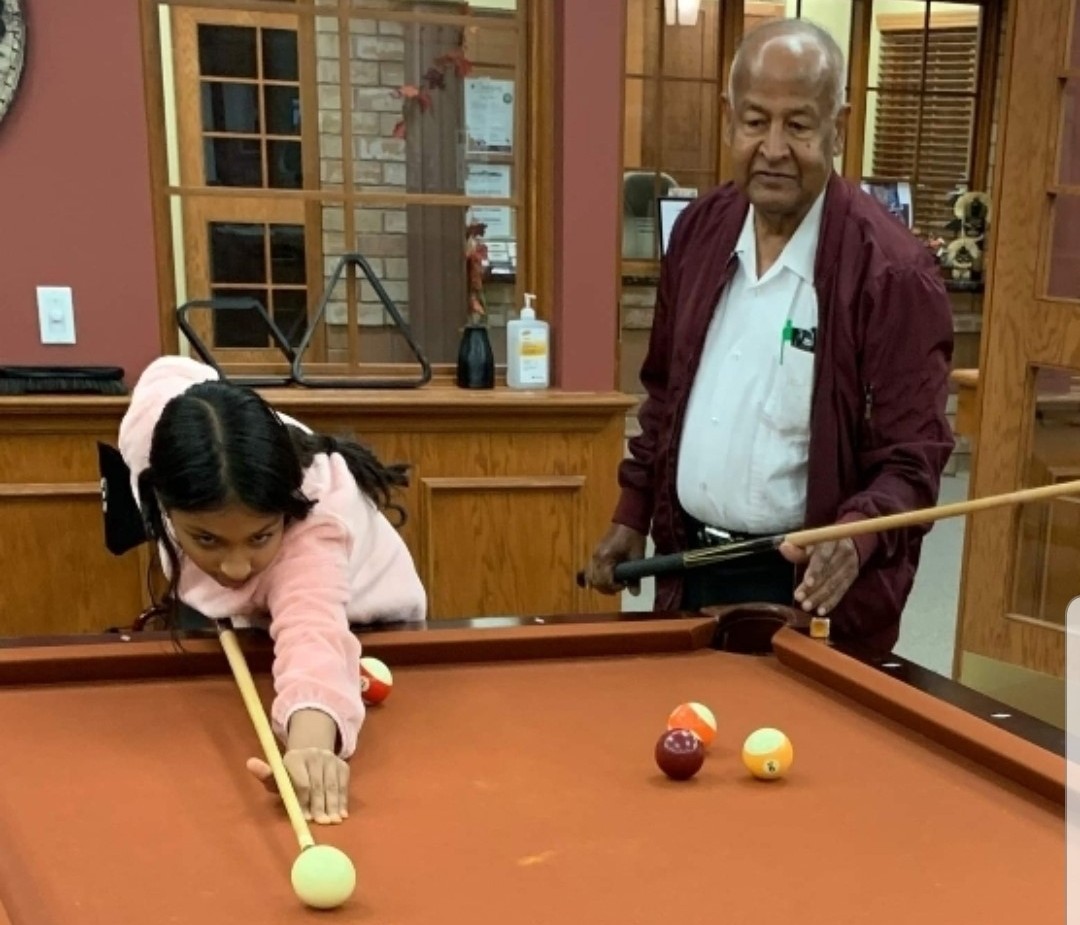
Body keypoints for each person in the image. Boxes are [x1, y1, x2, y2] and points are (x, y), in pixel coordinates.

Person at [583, 18, 955, 654]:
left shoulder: (893, 274)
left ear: (837, 127)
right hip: (687, 568)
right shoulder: (700, 232)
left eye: (799, 125)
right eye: (756, 122)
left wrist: (859, 532)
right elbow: (665, 394)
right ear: (729, 119)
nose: (774, 148)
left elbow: (912, 460)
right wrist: (632, 511)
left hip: (809, 593)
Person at [118, 355, 426, 824]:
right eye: (207, 539)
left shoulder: (312, 531)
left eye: (261, 536)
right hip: (260, 619)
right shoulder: (150, 432)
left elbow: (313, 637)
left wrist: (310, 748)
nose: (237, 566)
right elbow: (166, 370)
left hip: (372, 615)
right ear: (160, 497)